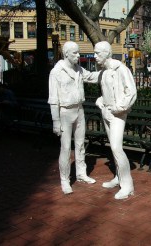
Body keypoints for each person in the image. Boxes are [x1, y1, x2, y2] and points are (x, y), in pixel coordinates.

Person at [48, 41, 99, 195]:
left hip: (79, 110)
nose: (78, 55)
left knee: (80, 144)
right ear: (66, 54)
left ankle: (81, 174)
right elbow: (53, 99)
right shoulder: (56, 72)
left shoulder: (79, 69)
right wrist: (56, 121)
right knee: (65, 148)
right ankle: (65, 179)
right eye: (75, 53)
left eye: (78, 52)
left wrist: (109, 71)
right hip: (65, 112)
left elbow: (91, 76)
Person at [94, 41, 137, 200]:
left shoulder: (121, 69)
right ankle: (118, 177)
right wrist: (101, 100)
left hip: (118, 113)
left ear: (106, 53)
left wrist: (119, 107)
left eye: (98, 53)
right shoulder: (104, 72)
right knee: (113, 149)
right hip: (107, 112)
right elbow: (108, 92)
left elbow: (131, 92)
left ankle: (127, 185)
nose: (95, 56)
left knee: (117, 147)